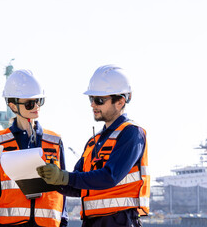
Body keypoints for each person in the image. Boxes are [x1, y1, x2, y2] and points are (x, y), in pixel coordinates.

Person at [37, 65, 149, 227]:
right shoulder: (93, 142)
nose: (93, 105)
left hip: (120, 221)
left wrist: (64, 177)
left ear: (120, 102)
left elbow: (110, 176)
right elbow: (76, 187)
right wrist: (54, 180)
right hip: (92, 222)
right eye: (92, 99)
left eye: (99, 100)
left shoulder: (132, 133)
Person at [0, 69, 68, 227]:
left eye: (39, 101)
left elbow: (63, 187)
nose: (36, 106)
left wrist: (63, 221)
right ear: (13, 106)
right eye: (30, 103)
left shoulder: (55, 140)